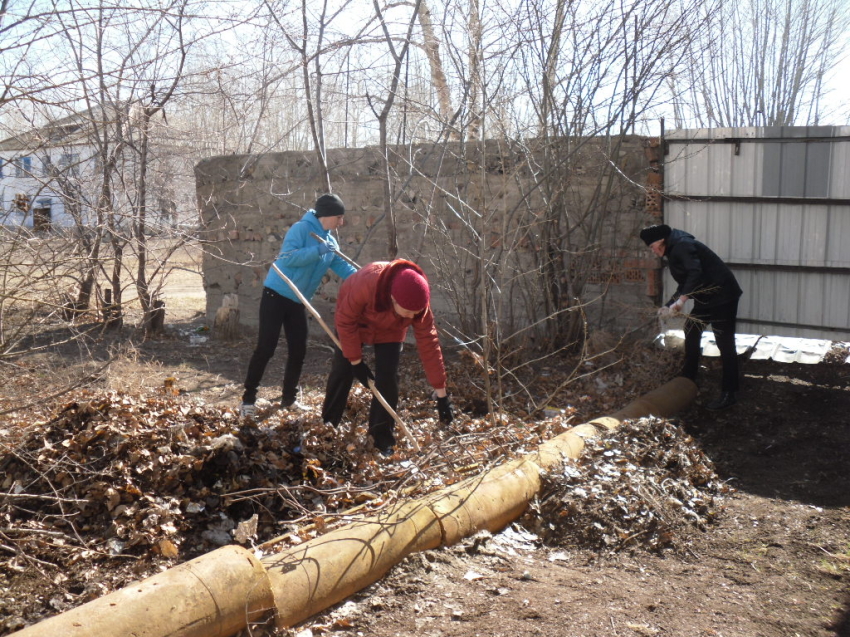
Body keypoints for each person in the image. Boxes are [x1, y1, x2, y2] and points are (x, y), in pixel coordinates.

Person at [240, 194, 357, 418]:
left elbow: (341, 266)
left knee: (298, 350)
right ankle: (248, 400)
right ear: (328, 215)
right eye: (339, 217)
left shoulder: (330, 241)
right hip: (276, 293)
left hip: (298, 300)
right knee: (266, 348)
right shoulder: (301, 229)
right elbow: (288, 258)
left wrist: (364, 278)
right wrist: (317, 251)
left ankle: (288, 399)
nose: (341, 223)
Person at [321, 259, 454, 455]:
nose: (411, 317)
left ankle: (381, 438)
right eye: (408, 311)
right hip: (355, 324)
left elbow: (429, 344)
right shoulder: (366, 283)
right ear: (392, 298)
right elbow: (345, 320)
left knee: (388, 378)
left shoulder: (417, 306)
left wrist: (442, 395)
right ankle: (328, 425)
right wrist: (356, 361)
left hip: (391, 330)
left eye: (415, 313)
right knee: (343, 370)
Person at [640, 224, 743, 411]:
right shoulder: (672, 249)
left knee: (725, 342)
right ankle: (688, 377)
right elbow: (685, 281)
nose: (652, 251)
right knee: (692, 330)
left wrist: (681, 302)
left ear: (660, 241)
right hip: (706, 297)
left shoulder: (682, 245)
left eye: (652, 247)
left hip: (723, 295)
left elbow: (695, 272)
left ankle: (730, 392)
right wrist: (670, 304)